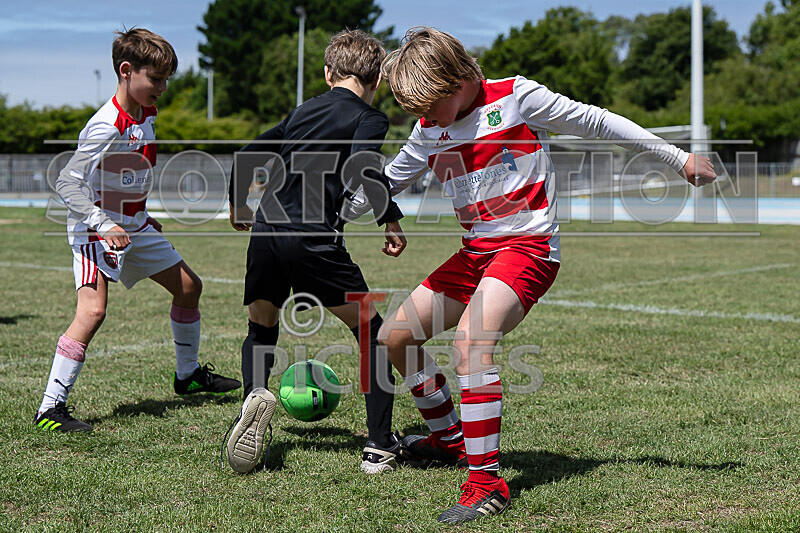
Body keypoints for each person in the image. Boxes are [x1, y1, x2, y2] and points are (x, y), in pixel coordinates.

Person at [372, 27, 718, 524]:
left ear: (454, 81)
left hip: (528, 249)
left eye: (428, 104)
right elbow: (386, 181)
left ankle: (486, 483)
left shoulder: (516, 98)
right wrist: (328, 199)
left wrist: (679, 158)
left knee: (471, 345)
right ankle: (450, 440)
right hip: (474, 255)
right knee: (395, 336)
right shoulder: (429, 129)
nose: (423, 119)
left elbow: (599, 123)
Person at [34, 28, 241, 434]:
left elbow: (125, 174)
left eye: (167, 79)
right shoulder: (106, 125)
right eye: (156, 79)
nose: (163, 88)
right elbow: (67, 183)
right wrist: (105, 222)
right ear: (126, 71)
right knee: (92, 312)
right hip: (95, 231)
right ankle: (50, 408)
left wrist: (138, 214)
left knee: (188, 287)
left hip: (134, 227)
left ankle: (187, 376)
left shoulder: (145, 114)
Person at [223, 29, 408, 475]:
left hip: (266, 231)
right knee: (373, 335)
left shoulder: (303, 110)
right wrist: (390, 218)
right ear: (377, 79)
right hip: (313, 239)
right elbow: (364, 164)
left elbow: (249, 153)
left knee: (261, 326)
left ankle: (253, 398)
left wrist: (238, 205)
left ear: (328, 73)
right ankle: (379, 446)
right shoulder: (369, 117)